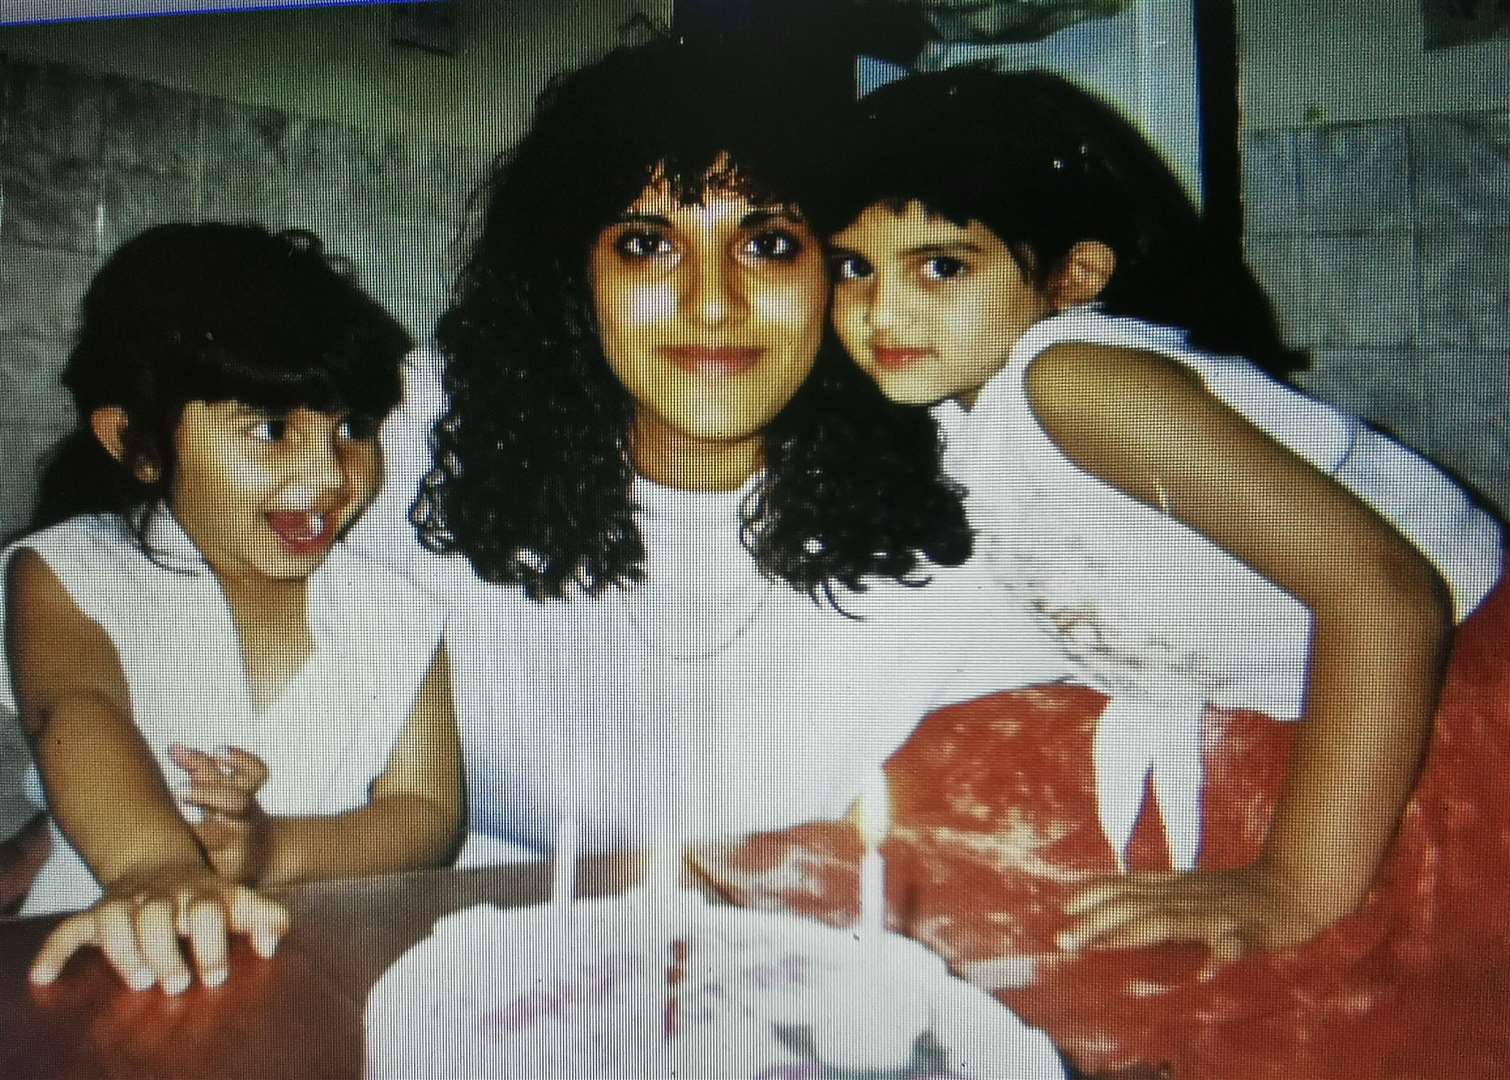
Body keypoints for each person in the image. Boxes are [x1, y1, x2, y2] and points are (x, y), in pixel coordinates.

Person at [785, 65, 1509, 1075]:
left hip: (1453, 698)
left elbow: (1387, 594)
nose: (880, 311)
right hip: (1315, 694)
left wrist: (1293, 886)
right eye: (853, 268)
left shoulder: (1074, 376)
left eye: (939, 267)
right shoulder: (985, 399)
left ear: (1072, 276)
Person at [349, 37, 1070, 866]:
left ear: (835, 270)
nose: (714, 306)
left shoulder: (978, 482)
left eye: (767, 244)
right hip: (463, 952)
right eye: (647, 244)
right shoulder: (431, 433)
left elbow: (1212, 671)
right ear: (573, 276)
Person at [3, 223, 462, 995]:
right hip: (111, 958)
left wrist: (272, 850)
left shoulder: (397, 608)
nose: (326, 475)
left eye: (352, 429)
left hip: (317, 974)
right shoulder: (68, 571)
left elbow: (426, 812)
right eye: (271, 430)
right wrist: (157, 868)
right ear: (137, 444)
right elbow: (75, 711)